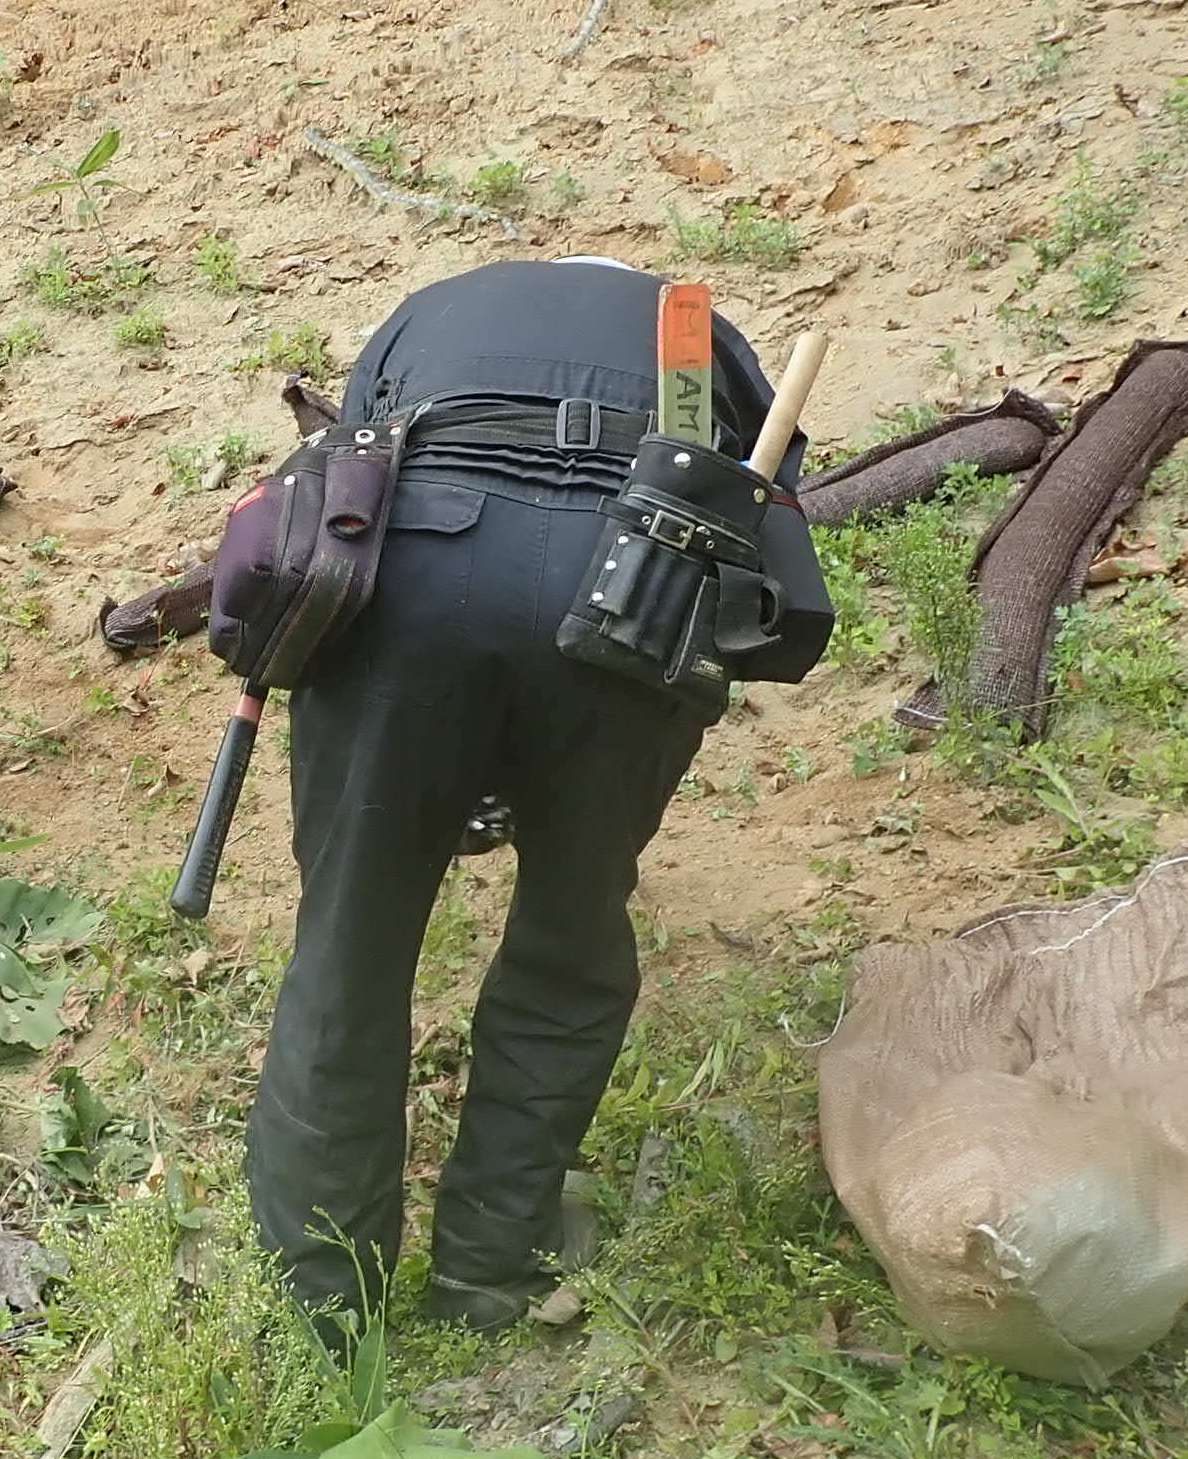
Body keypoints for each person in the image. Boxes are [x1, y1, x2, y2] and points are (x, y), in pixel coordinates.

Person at [247, 258, 834, 1334]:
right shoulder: (693, 329)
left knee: (349, 944)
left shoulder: (425, 307)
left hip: (418, 575)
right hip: (633, 589)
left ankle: (321, 1305)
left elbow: (350, 471)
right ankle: (492, 1266)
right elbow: (763, 524)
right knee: (568, 939)